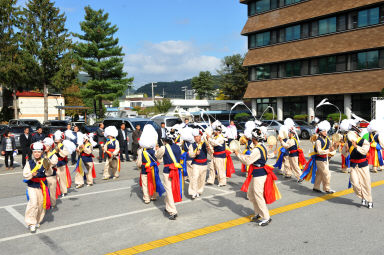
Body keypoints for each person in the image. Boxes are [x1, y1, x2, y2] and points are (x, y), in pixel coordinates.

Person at [234, 128, 280, 227]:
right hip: (257, 173)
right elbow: (265, 155)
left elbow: (247, 161)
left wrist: (238, 154)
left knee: (258, 195)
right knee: (250, 194)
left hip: (259, 174)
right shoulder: (262, 146)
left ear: (254, 138)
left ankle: (266, 217)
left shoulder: (257, 149)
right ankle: (258, 213)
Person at [23, 142, 53, 233]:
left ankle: (37, 220)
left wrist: (48, 168)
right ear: (32, 153)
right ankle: (31, 223)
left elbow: (49, 173)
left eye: (38, 152)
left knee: (41, 203)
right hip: (32, 186)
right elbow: (25, 174)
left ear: (42, 153)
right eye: (35, 152)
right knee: (33, 203)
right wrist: (32, 174)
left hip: (42, 186)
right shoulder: (30, 163)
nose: (36, 154)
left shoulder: (45, 161)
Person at [301, 121, 336, 194]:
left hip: (325, 159)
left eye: (326, 131)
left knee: (319, 174)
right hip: (319, 160)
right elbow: (319, 151)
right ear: (320, 132)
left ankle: (316, 187)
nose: (325, 132)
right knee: (327, 174)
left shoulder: (327, 139)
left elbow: (330, 148)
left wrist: (334, 147)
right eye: (324, 131)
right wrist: (329, 150)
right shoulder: (318, 141)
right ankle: (327, 189)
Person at [342, 128, 373, 208]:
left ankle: (369, 200)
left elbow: (364, 151)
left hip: (363, 165)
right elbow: (344, 154)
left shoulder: (364, 141)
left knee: (365, 183)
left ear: (356, 134)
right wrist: (346, 150)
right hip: (353, 165)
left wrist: (356, 147)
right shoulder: (348, 143)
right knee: (355, 183)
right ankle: (363, 196)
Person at [156, 134, 182, 220]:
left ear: (165, 141)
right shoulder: (178, 147)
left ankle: (173, 212)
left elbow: (158, 156)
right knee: (172, 190)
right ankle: (168, 207)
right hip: (176, 170)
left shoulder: (163, 148)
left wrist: (157, 150)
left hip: (168, 171)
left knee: (169, 191)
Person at [136, 124, 164, 204]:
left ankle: (147, 198)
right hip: (154, 168)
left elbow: (139, 163)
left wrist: (139, 166)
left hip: (145, 168)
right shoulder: (155, 150)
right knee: (154, 181)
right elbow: (160, 160)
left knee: (145, 184)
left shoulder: (141, 151)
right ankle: (154, 196)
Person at [188, 129, 208, 199]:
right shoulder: (192, 145)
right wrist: (195, 153)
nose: (196, 138)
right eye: (195, 137)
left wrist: (209, 147)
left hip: (204, 164)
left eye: (198, 136)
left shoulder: (204, 143)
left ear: (200, 137)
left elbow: (211, 152)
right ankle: (193, 192)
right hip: (196, 164)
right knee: (194, 178)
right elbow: (190, 154)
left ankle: (199, 191)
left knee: (202, 179)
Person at [207, 122, 228, 187]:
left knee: (220, 169)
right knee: (212, 168)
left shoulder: (221, 138)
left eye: (215, 131)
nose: (214, 132)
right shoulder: (216, 137)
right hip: (215, 155)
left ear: (218, 131)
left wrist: (209, 139)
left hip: (220, 156)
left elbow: (214, 143)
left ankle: (222, 182)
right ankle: (210, 180)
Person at [54, 131, 71, 197]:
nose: (56, 139)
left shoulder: (63, 146)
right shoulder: (54, 146)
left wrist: (59, 151)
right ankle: (57, 191)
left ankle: (64, 191)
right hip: (55, 164)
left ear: (61, 139)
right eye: (55, 137)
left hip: (61, 164)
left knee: (62, 178)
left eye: (57, 138)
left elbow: (65, 154)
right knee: (56, 178)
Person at [42, 137, 59, 208]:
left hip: (51, 176)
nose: (45, 147)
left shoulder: (53, 155)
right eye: (44, 145)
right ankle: (45, 203)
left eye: (46, 145)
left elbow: (54, 162)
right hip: (43, 176)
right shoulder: (43, 155)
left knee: (52, 192)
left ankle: (53, 204)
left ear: (50, 146)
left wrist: (47, 160)